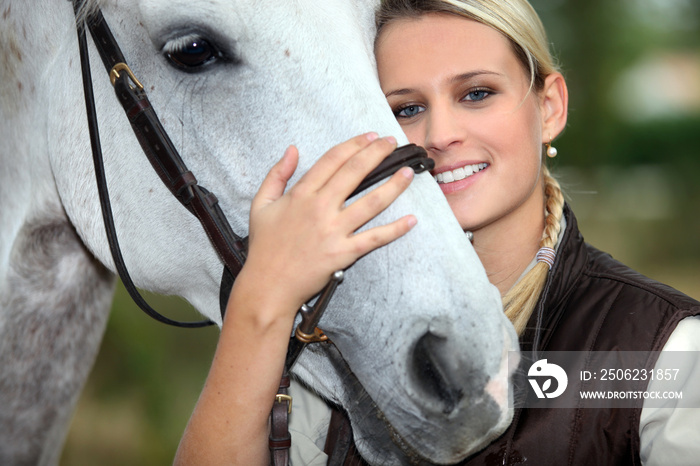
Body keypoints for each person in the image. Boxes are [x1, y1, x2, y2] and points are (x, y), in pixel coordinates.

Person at [175, 0, 700, 464]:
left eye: (476, 93)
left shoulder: (663, 350)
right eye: (405, 109)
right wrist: (261, 298)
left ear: (549, 107)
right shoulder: (329, 337)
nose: (440, 136)